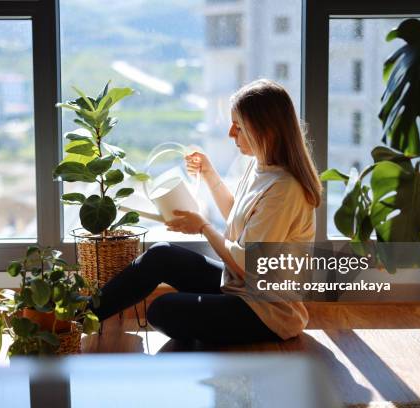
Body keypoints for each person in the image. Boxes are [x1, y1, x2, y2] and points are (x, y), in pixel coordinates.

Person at [90, 79, 322, 344]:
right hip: (239, 288)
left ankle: (76, 317)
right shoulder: (261, 167)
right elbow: (240, 216)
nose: (230, 133)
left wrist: (202, 227)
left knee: (162, 310)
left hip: (268, 312)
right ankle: (77, 315)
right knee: (160, 255)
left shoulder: (285, 189)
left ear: (265, 130)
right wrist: (209, 174)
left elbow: (249, 267)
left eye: (239, 126)